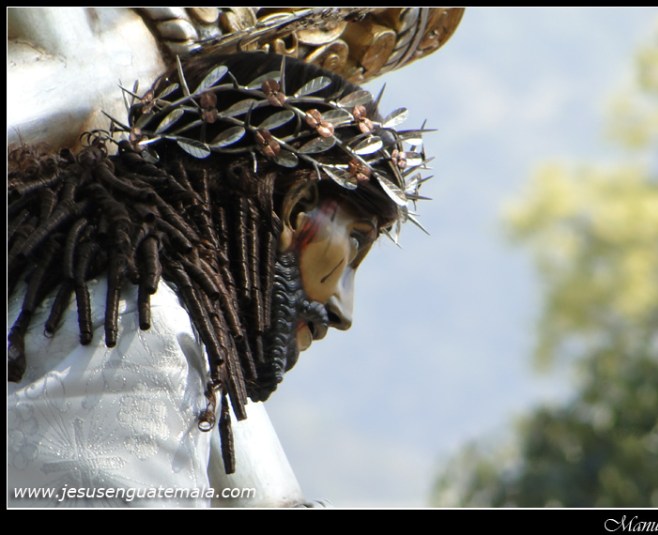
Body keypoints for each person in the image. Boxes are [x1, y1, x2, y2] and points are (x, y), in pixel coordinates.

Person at [7, 50, 432, 507]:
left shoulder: (104, 306)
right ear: (296, 209)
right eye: (355, 245)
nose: (344, 313)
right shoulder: (140, 335)